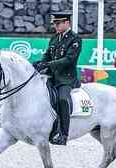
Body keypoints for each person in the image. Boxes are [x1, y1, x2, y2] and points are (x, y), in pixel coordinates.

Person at [32, 11, 82, 145]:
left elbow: (69, 59)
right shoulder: (54, 38)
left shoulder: (75, 39)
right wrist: (41, 63)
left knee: (62, 99)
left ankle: (63, 134)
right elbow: (47, 54)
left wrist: (48, 64)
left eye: (58, 23)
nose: (55, 25)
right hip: (52, 76)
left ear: (67, 23)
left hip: (66, 78)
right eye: (54, 23)